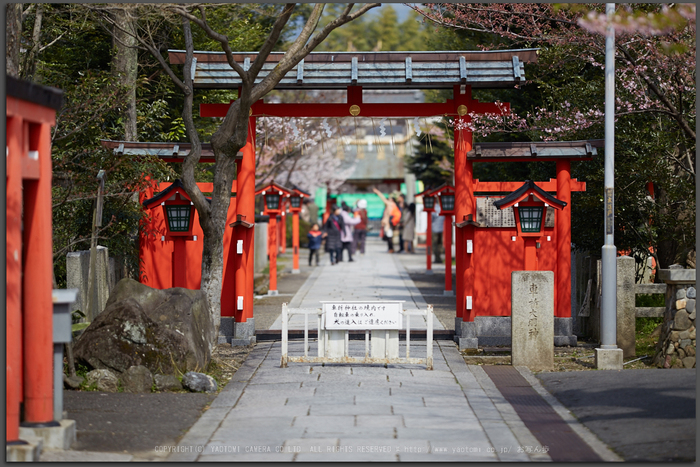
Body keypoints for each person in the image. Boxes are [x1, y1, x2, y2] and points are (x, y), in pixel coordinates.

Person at [372, 187, 401, 253]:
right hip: (388, 222)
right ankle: (390, 248)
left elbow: (383, 199)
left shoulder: (391, 204)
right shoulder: (391, 205)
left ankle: (391, 248)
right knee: (388, 236)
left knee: (389, 236)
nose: (388, 199)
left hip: (389, 223)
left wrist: (377, 192)